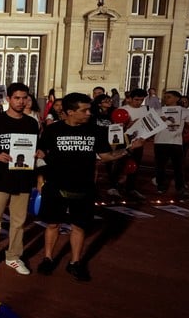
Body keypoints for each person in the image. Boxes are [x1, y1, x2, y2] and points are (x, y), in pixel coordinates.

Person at [36, 93, 146, 281]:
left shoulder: (95, 131)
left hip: (84, 186)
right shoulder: (52, 130)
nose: (89, 113)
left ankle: (75, 263)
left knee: (79, 226)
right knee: (53, 224)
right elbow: (40, 155)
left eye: (89, 109)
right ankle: (48, 258)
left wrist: (129, 149)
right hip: (55, 185)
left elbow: (105, 157)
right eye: (84, 110)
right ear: (70, 112)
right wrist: (40, 179)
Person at [0, 82, 40, 276]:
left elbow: (35, 147)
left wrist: (37, 154)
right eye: (17, 98)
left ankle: (13, 256)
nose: (21, 102)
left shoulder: (31, 123)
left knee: (19, 221)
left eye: (24, 98)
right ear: (8, 99)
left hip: (23, 177)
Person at [153, 90, 189, 198]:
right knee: (160, 166)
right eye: (165, 97)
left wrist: (183, 123)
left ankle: (180, 188)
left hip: (176, 142)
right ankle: (161, 186)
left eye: (169, 97)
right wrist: (160, 120)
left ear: (177, 98)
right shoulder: (157, 111)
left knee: (178, 166)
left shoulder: (186, 112)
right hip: (160, 141)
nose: (165, 99)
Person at [116, 88, 149, 201]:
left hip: (139, 142)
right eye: (136, 99)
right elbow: (117, 127)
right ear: (129, 99)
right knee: (120, 164)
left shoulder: (146, 109)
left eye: (141, 100)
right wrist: (130, 124)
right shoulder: (123, 109)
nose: (139, 102)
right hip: (124, 142)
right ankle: (114, 187)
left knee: (135, 165)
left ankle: (130, 188)